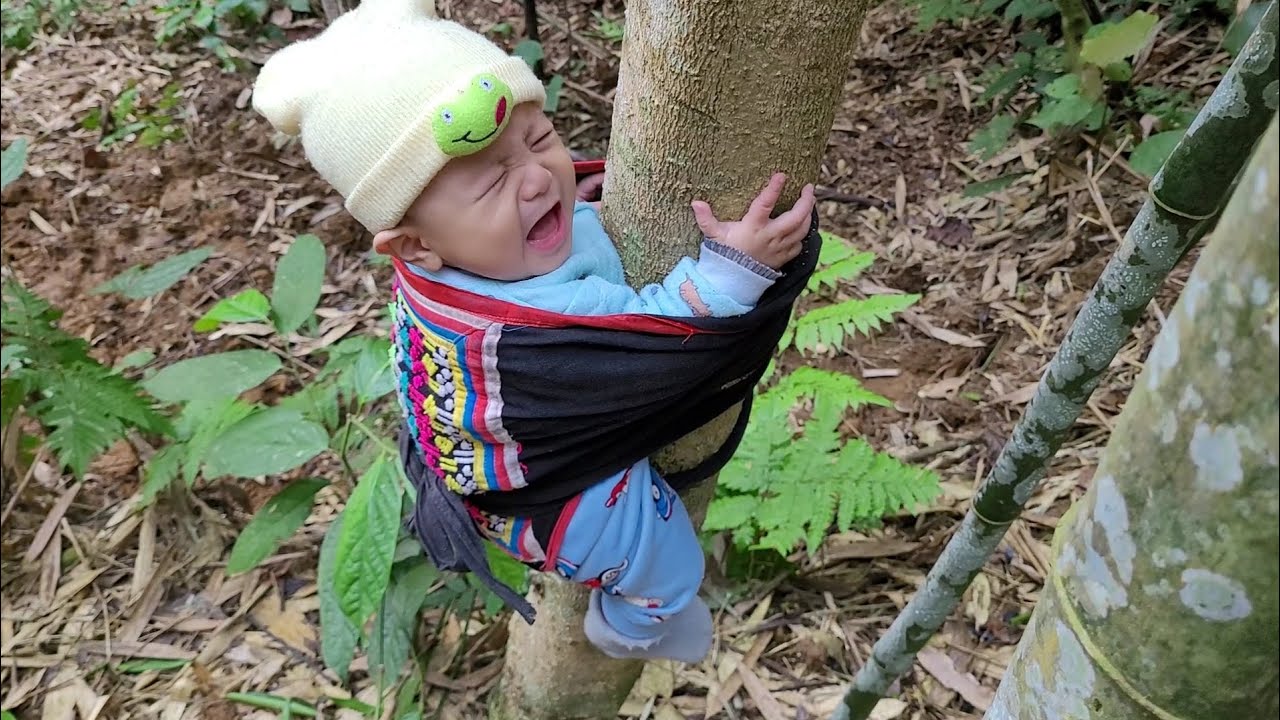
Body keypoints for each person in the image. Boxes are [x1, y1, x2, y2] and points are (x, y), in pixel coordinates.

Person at [253, 0, 815, 663]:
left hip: (481, 439)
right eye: (491, 181)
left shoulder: (475, 252)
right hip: (540, 499)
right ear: (414, 245)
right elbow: (657, 336)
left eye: (540, 138)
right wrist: (735, 270)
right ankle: (632, 628)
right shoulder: (528, 333)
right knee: (668, 562)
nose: (536, 179)